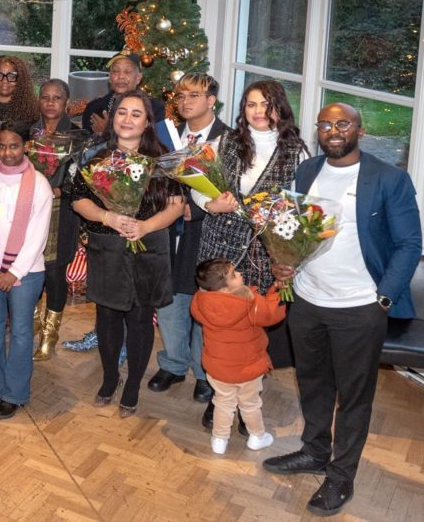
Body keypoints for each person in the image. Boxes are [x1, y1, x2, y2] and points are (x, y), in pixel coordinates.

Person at [263, 103, 422, 517]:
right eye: (326, 124)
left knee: (354, 397)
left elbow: (408, 245)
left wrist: (383, 297)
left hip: (359, 307)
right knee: (313, 383)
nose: (334, 131)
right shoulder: (307, 172)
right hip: (308, 301)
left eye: (343, 124)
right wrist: (286, 263)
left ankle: (341, 476)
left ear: (360, 131)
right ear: (317, 130)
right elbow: (293, 230)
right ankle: (314, 452)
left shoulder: (389, 179)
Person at [70, 91, 183, 418]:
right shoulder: (95, 157)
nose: (128, 119)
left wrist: (145, 227)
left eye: (136, 114)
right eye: (122, 112)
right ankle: (109, 377)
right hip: (107, 247)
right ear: (113, 117)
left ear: (148, 122)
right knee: (106, 319)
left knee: (139, 320)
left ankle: (132, 383)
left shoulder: (163, 159)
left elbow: (177, 207)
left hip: (149, 248)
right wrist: (108, 217)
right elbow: (78, 200)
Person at [196, 80, 307, 375]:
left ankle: (248, 382)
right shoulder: (224, 142)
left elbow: (301, 209)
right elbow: (197, 184)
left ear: (279, 109)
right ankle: (214, 382)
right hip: (219, 247)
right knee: (216, 320)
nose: (258, 111)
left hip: (262, 254)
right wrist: (210, 204)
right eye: (251, 104)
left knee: (252, 324)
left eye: (266, 105)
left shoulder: (297, 154)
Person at [146, 73, 229, 402]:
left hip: (206, 232)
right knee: (169, 300)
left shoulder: (229, 139)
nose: (185, 101)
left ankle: (203, 372)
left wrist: (200, 206)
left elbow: (232, 188)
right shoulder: (165, 135)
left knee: (202, 303)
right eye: (180, 96)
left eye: (194, 95)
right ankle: (173, 364)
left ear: (211, 101)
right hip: (167, 231)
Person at [0, 124, 54, 419]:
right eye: (2, 146)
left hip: (27, 272)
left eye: (14, 146)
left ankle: (15, 392)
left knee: (20, 332)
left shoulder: (39, 184)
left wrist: (14, 272)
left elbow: (38, 235)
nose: (7, 153)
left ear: (26, 146)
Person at [190, 259, 283, 456]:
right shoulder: (249, 301)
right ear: (223, 289)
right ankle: (257, 436)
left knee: (223, 402)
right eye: (234, 275)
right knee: (250, 404)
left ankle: (219, 439)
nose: (240, 274)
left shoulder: (200, 300)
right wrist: (275, 292)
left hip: (218, 368)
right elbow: (271, 315)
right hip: (248, 368)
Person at [30, 79, 88, 360]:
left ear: (67, 103)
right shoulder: (29, 132)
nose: (50, 102)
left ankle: (49, 335)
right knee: (30, 269)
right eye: (45, 97)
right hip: (29, 212)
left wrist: (59, 190)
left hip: (62, 213)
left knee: (54, 274)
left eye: (57, 98)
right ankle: (32, 324)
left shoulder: (77, 136)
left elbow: (82, 180)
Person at [81, 54, 165, 136]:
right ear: (110, 77)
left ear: (138, 78)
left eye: (127, 72)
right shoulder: (94, 108)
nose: (121, 76)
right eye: (116, 71)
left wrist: (109, 133)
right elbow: (86, 146)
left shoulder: (154, 108)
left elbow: (155, 146)